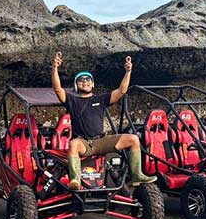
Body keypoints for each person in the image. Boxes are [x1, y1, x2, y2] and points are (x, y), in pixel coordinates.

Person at [51, 52, 156, 190]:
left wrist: (128, 71)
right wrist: (55, 68)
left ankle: (137, 175)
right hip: (84, 144)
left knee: (133, 139)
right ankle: (75, 179)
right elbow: (58, 89)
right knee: (74, 144)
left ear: (93, 84)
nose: (85, 82)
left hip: (101, 141)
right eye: (81, 81)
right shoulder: (72, 100)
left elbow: (122, 90)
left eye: (88, 80)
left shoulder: (100, 99)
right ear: (76, 85)